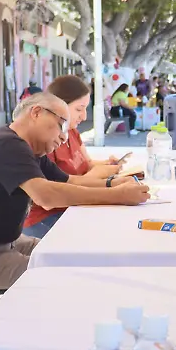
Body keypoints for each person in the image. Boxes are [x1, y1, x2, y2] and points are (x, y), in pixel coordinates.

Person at [0, 93, 151, 290]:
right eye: (61, 125)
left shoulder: (28, 149)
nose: (64, 137)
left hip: (1, 244)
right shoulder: (6, 145)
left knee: (74, 253)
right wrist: (118, 196)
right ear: (36, 112)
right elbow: (46, 196)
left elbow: (71, 181)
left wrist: (114, 183)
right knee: (70, 275)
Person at [23, 76, 128, 239]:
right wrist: (103, 181)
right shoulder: (45, 140)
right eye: (79, 109)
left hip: (73, 206)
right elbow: (51, 196)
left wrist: (107, 167)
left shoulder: (72, 131)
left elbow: (85, 164)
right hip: (47, 216)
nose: (84, 117)